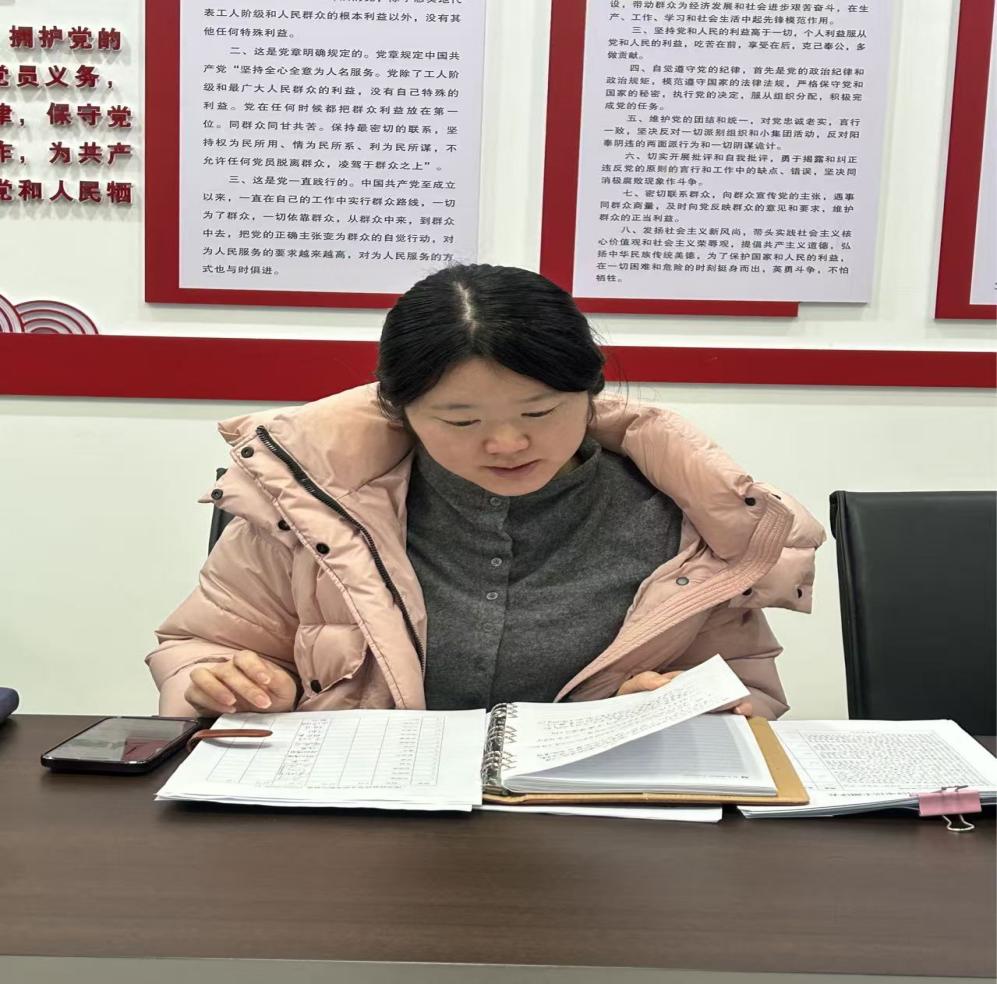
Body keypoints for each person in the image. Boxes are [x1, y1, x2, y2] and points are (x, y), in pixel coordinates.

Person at [146, 264, 825, 720]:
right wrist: (226, 682)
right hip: (363, 828)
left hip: (600, 838)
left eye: (539, 412)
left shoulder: (686, 519)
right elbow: (198, 648)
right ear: (401, 411)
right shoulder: (312, 505)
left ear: (590, 392)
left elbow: (746, 689)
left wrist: (690, 705)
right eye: (461, 421)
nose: (507, 443)